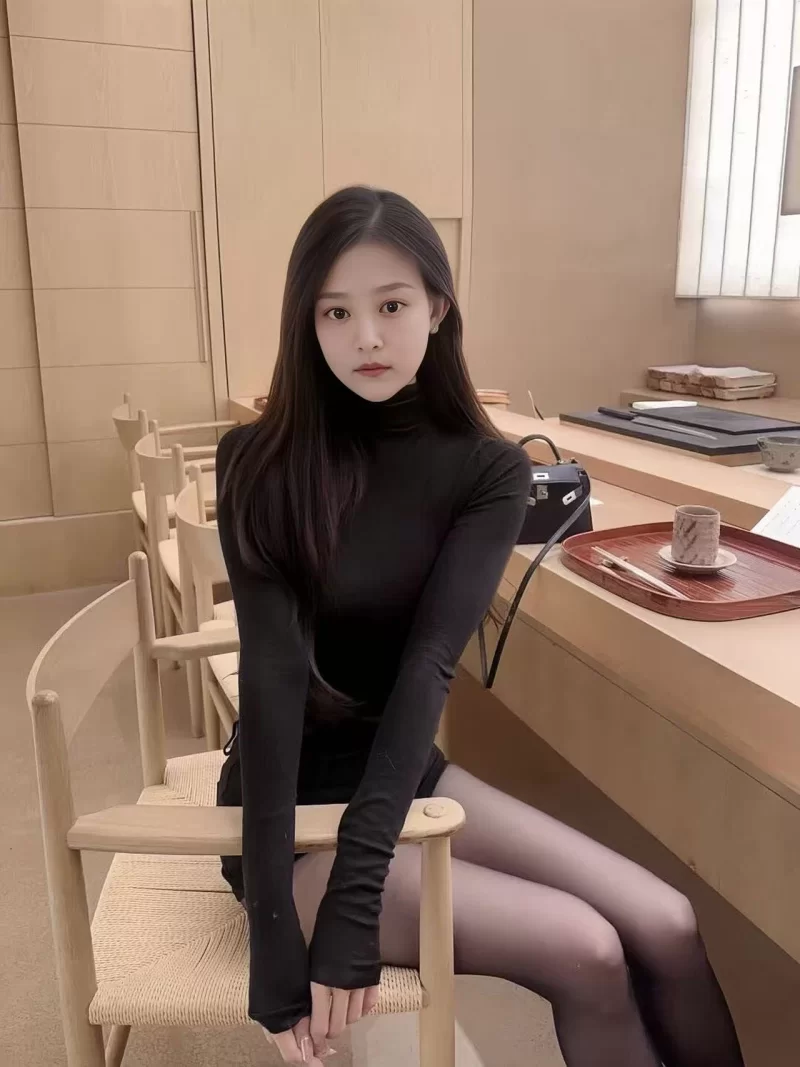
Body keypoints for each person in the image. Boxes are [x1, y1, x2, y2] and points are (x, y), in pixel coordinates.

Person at [215, 186, 744, 1067]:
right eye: (336, 312)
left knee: (667, 921)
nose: (367, 337)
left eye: (391, 306)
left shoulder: (488, 470)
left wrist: (365, 876)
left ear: (437, 306)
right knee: (589, 949)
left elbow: (427, 669)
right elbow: (270, 690)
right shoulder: (260, 463)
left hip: (399, 775)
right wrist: (281, 931)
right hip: (290, 820)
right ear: (306, 322)